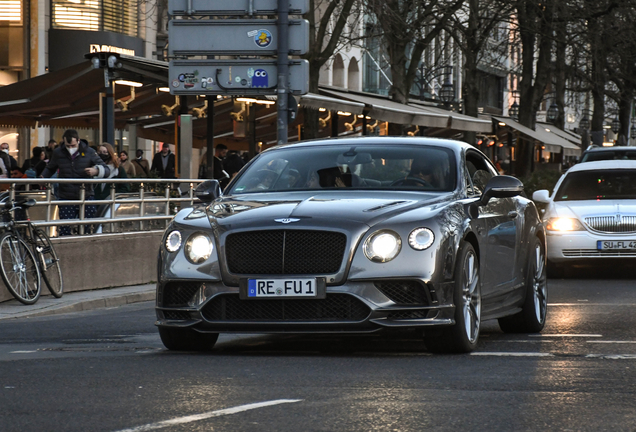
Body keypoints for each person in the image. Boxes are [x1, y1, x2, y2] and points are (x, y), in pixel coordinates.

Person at [41, 129, 110, 236]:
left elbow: (106, 170)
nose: (70, 148)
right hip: (66, 195)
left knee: (88, 228)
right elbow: (51, 168)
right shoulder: (58, 152)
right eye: (67, 145)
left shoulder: (89, 152)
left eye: (73, 145)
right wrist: (43, 177)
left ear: (78, 141)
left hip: (85, 195)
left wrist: (96, 170)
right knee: (65, 228)